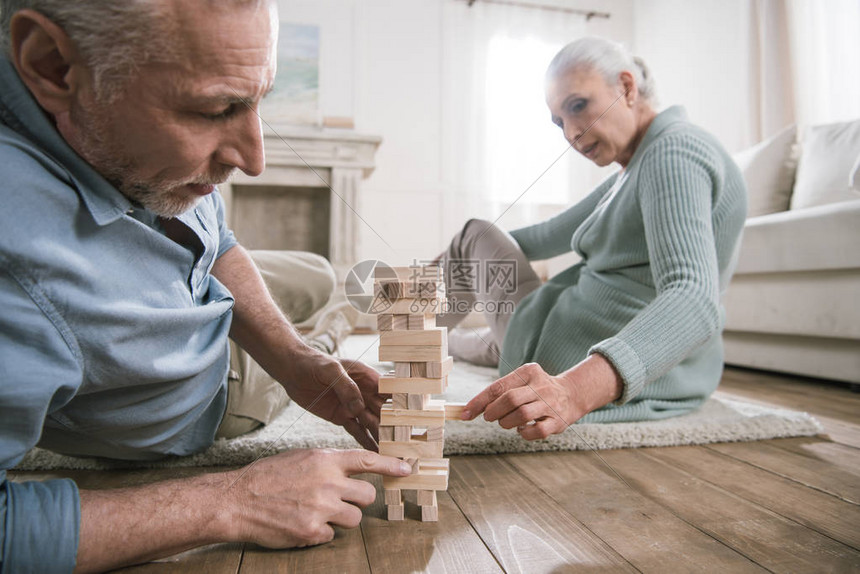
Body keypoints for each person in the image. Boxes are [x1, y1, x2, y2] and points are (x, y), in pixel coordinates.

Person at [0, 1, 411, 572]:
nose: (255, 158)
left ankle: (312, 343)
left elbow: (214, 238)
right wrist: (234, 501)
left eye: (257, 99)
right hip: (219, 383)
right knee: (331, 309)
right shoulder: (15, 262)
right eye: (217, 109)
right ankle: (331, 335)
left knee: (318, 274)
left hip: (191, 287)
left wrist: (293, 361)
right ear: (52, 65)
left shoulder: (122, 144)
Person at [437, 37, 747, 438]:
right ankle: (437, 338)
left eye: (578, 106)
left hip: (571, 354)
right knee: (473, 310)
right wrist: (464, 262)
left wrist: (573, 390)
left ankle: (405, 332)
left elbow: (693, 296)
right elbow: (542, 236)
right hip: (575, 341)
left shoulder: (673, 153)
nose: (570, 132)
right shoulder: (635, 168)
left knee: (474, 232)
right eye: (559, 121)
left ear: (626, 87)